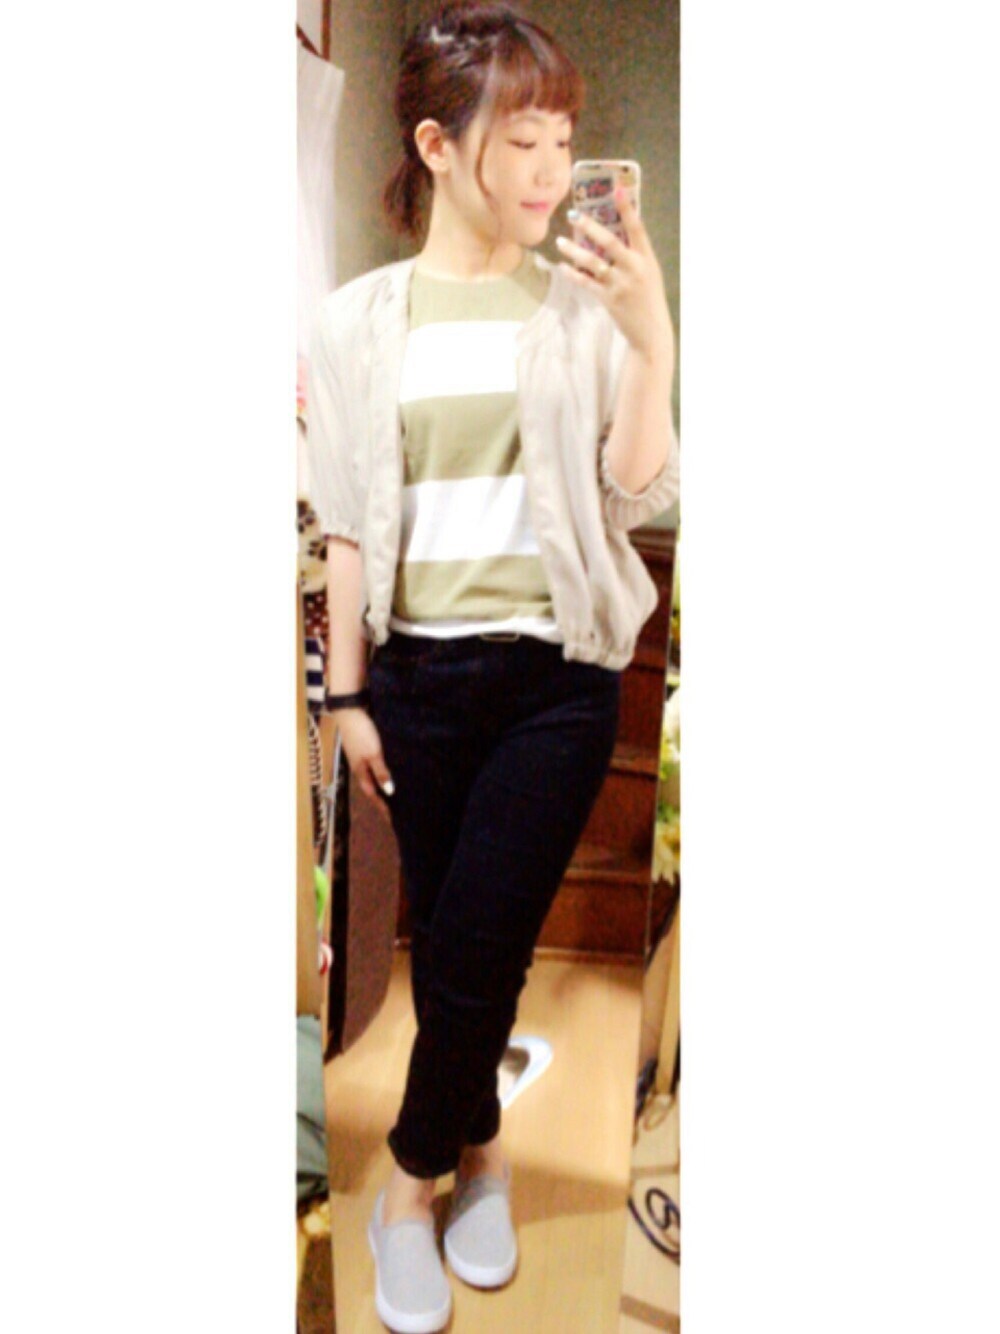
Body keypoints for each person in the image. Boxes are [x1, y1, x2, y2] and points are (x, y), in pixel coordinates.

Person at [306, 3, 678, 1328]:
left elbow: (636, 488)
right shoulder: (357, 322)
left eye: (564, 141)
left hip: (553, 684)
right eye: (522, 139)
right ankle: (485, 1152)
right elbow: (348, 524)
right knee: (453, 943)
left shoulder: (585, 311)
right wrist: (349, 694)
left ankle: (409, 1186)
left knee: (479, 943)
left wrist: (652, 339)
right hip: (415, 683)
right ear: (436, 145)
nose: (549, 168)